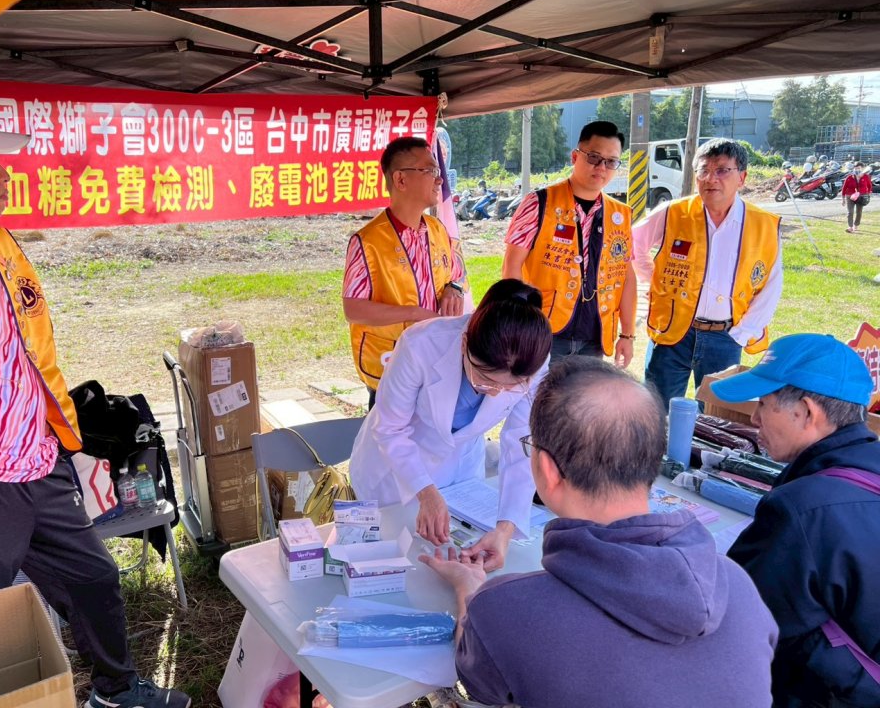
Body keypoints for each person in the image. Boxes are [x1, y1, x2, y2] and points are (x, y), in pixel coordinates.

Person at [0, 104, 190, 708]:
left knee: (94, 579)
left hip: (39, 459)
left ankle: (115, 693)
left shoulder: (0, 244)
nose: (4, 174)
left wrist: (59, 440)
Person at [420, 357, 778, 708]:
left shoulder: (507, 610)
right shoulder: (739, 585)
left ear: (547, 469)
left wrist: (469, 589)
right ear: (653, 459)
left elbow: (477, 687)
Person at [711, 334, 880, 707]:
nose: (754, 418)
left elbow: (736, 616)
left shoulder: (799, 510)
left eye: (764, 404)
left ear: (807, 412)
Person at [349, 279, 552, 571]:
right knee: (393, 562)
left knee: (445, 560)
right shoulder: (421, 343)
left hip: (460, 470)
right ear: (465, 343)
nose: (496, 393)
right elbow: (390, 428)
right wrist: (424, 491)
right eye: (485, 380)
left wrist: (505, 529)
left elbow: (523, 444)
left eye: (511, 387)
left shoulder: (533, 362)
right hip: (392, 470)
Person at [632, 137, 783, 407]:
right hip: (672, 332)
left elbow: (771, 286)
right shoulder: (673, 212)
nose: (711, 179)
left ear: (742, 177)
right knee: (656, 410)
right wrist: (654, 280)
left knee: (715, 416)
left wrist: (740, 333)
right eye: (703, 170)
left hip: (725, 336)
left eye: (722, 170)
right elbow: (632, 244)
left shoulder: (763, 225)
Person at [342, 136, 465, 410]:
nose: (439, 179)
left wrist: (452, 289)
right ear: (400, 180)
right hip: (390, 362)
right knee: (389, 435)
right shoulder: (367, 241)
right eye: (430, 170)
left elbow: (455, 276)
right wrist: (414, 313)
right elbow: (353, 309)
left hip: (435, 357)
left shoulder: (437, 230)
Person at [503, 120, 637, 367]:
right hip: (544, 331)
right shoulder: (539, 203)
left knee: (583, 394)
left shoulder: (621, 214)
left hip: (594, 335)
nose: (601, 167)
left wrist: (627, 335)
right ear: (575, 157)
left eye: (611, 162)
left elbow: (627, 276)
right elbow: (511, 268)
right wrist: (520, 325)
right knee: (536, 392)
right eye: (594, 157)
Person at [841, 160, 871, 233]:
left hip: (861, 197)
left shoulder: (866, 176)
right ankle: (850, 227)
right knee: (850, 212)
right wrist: (843, 199)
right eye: (856, 168)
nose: (857, 169)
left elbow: (869, 186)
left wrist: (868, 195)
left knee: (859, 212)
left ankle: (856, 224)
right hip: (850, 196)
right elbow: (844, 188)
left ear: (862, 168)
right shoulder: (849, 177)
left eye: (859, 168)